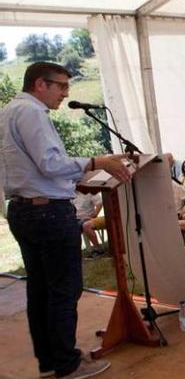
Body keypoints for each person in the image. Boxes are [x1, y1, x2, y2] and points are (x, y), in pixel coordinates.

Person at [1, 62, 132, 378]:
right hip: (48, 213)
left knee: (41, 290)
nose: (65, 93)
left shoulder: (8, 112)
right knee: (63, 289)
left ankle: (49, 362)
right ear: (39, 84)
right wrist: (96, 161)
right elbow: (50, 163)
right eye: (61, 86)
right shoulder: (31, 113)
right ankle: (67, 364)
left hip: (23, 209)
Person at [74, 192, 104, 258]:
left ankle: (98, 249)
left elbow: (100, 204)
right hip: (74, 218)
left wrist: (94, 215)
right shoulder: (71, 192)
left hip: (87, 217)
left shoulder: (90, 191)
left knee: (75, 227)